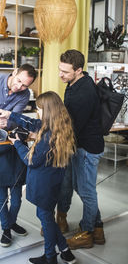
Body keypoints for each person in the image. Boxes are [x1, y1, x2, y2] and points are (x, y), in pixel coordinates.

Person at [0, 91, 77, 264]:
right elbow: (33, 123)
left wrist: (17, 142)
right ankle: (65, 250)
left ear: (47, 111)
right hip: (54, 182)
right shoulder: (59, 128)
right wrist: (10, 114)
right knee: (46, 215)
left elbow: (30, 160)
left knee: (45, 218)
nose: (37, 112)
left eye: (39, 109)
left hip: (43, 185)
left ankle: (50, 258)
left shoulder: (47, 137)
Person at [0, 64, 37, 247]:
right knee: (2, 194)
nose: (19, 87)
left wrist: (7, 123)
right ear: (15, 71)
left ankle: (12, 222)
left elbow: (14, 119)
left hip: (17, 146)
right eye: (19, 81)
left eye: (25, 85)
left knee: (17, 196)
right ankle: (5, 229)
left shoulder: (25, 95)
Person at [57, 49, 105, 250]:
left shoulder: (84, 92)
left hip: (87, 149)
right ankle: (98, 228)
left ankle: (87, 233)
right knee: (83, 189)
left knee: (86, 191)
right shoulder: (74, 83)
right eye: (60, 69)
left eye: (65, 72)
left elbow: (74, 126)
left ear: (78, 70)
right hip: (82, 146)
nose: (61, 75)